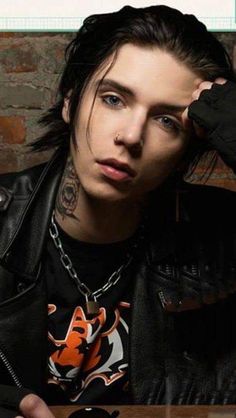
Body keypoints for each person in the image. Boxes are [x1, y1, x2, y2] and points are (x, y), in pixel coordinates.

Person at [1, 4, 236, 417]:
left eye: (167, 121)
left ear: (187, 148)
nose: (130, 136)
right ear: (70, 103)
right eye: (113, 99)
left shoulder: (219, 234)